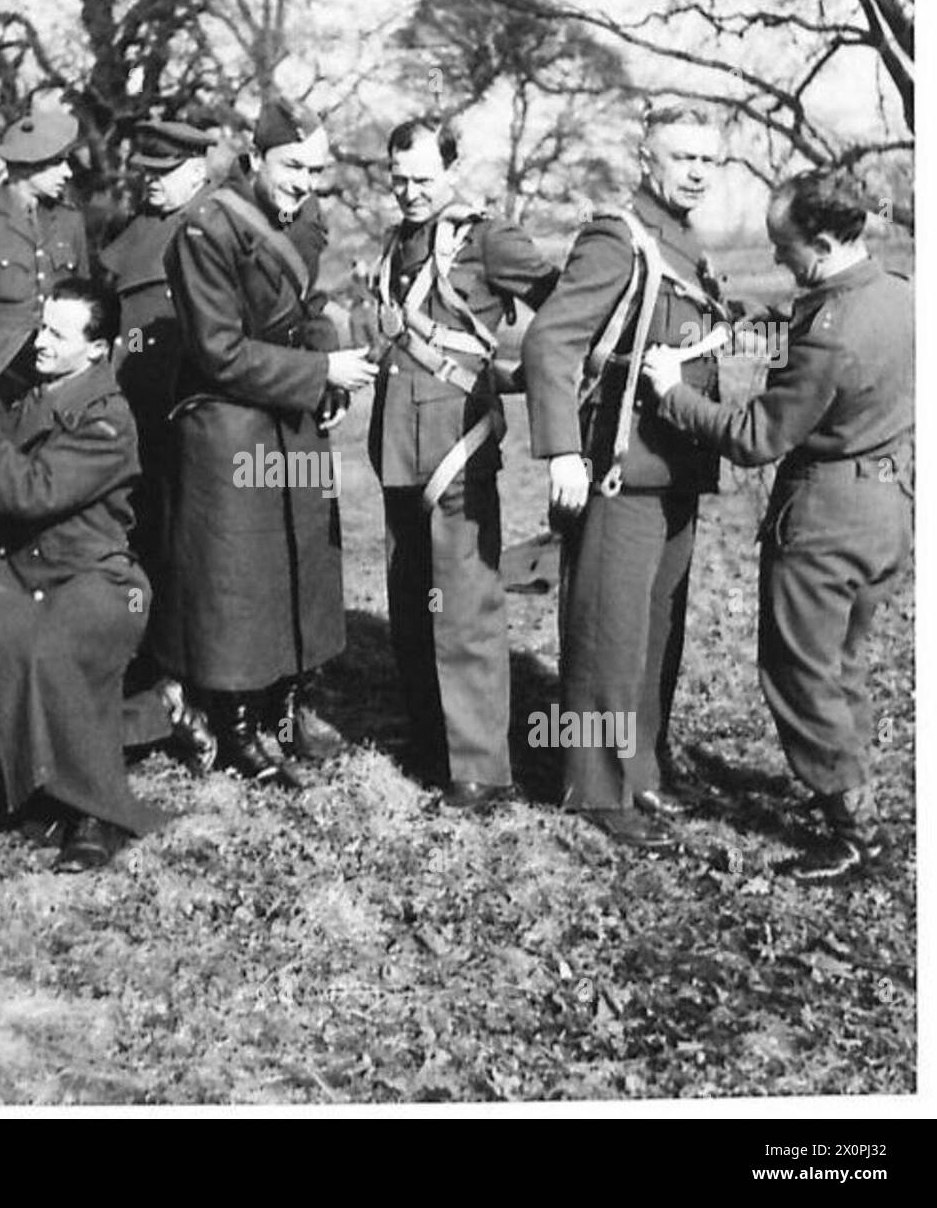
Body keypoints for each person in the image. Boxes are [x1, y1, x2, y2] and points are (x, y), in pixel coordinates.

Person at [643, 170, 913, 884]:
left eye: (784, 247)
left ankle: (854, 830)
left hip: (825, 519)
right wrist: (753, 317)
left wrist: (670, 392)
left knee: (799, 672)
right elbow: (814, 328)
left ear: (822, 243)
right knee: (843, 663)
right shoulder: (897, 297)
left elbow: (755, 436)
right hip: (884, 508)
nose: (778, 260)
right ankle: (857, 793)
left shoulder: (832, 335)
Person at [522, 101, 731, 850]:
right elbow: (551, 340)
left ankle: (638, 771)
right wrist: (562, 453)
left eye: (710, 158)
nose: (699, 171)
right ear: (647, 158)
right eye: (684, 157)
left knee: (654, 636)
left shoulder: (686, 243)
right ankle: (594, 789)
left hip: (676, 474)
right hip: (618, 472)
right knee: (607, 635)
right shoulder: (620, 237)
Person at [154, 93, 377, 785]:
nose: (303, 184)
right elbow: (218, 351)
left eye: (314, 171)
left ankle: (288, 707)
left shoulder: (307, 218)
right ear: (255, 158)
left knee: (301, 566)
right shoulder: (204, 228)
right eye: (291, 167)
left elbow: (310, 307)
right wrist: (319, 371)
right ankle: (237, 728)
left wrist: (327, 375)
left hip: (292, 415)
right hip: (229, 424)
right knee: (238, 581)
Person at [0, 278, 168, 871]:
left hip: (96, 577)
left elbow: (27, 491)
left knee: (51, 655)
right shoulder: (31, 390)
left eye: (59, 333)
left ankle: (95, 814)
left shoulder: (108, 421)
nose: (40, 344)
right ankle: (59, 776)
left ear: (99, 348)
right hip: (24, 569)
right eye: (42, 326)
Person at [368, 118, 558, 809]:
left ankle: (480, 765)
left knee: (466, 607)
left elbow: (564, 308)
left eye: (424, 179)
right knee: (413, 600)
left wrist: (539, 376)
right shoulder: (397, 241)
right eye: (399, 180)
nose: (411, 192)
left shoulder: (488, 237)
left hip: (457, 446)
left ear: (452, 169)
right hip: (397, 445)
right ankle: (431, 738)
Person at [97, 120, 220, 762]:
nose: (149, 180)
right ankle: (156, 687)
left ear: (198, 171)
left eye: (163, 171)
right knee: (142, 552)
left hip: (194, 419)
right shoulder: (133, 229)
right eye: (143, 168)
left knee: (194, 561)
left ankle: (198, 694)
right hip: (134, 421)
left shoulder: (218, 223)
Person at [0, 109, 89, 421]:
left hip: (53, 372)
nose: (68, 172)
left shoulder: (69, 220)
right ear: (26, 166)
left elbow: (84, 302)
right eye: (56, 163)